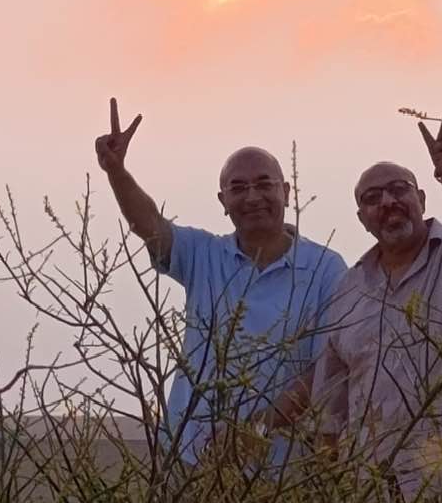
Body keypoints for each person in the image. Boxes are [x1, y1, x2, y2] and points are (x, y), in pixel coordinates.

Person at [260, 113, 442, 502]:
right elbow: (331, 405)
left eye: (399, 190)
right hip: (380, 493)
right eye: (372, 198)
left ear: (422, 199)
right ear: (362, 219)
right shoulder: (349, 290)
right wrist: (334, 492)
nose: (388, 202)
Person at [94, 97, 347, 467]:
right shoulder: (203, 254)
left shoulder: (325, 268)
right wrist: (117, 172)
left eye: (264, 184)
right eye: (238, 188)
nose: (253, 197)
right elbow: (148, 225)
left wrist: (253, 432)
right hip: (192, 458)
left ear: (287, 192)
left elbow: (325, 367)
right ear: (222, 200)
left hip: (282, 468)